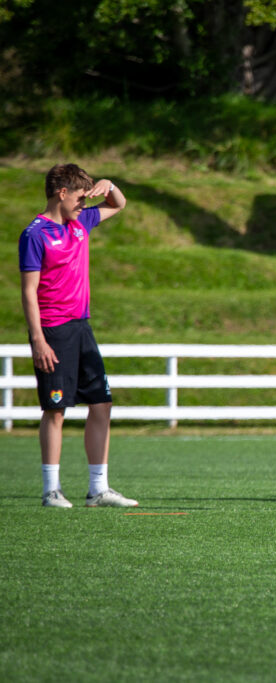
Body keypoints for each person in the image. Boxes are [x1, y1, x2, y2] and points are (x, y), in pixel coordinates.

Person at [19, 163, 138, 508]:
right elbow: (29, 292)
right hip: (53, 331)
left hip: (82, 327)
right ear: (62, 193)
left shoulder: (81, 222)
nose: (85, 204)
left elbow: (118, 204)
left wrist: (108, 185)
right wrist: (38, 340)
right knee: (55, 409)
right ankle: (51, 490)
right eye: (81, 197)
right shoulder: (35, 234)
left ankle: (98, 489)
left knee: (101, 404)